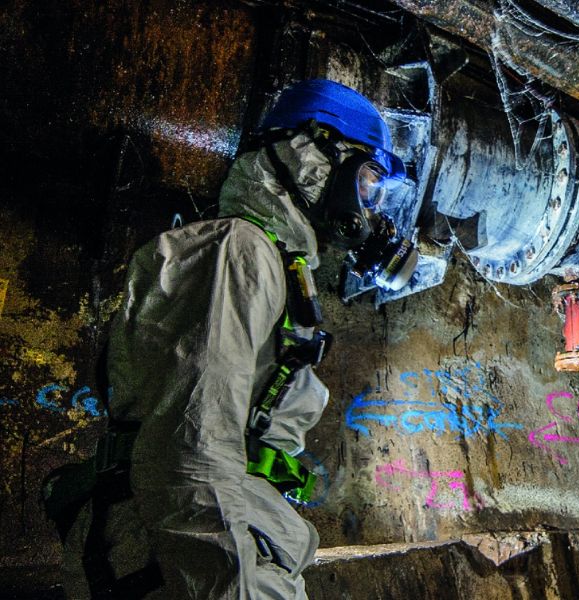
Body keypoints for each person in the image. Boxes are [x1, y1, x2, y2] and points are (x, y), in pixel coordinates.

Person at [57, 79, 413, 599]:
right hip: (189, 564)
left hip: (219, 552)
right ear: (312, 156)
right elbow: (191, 451)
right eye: (367, 180)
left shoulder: (271, 260)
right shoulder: (235, 251)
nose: (369, 203)